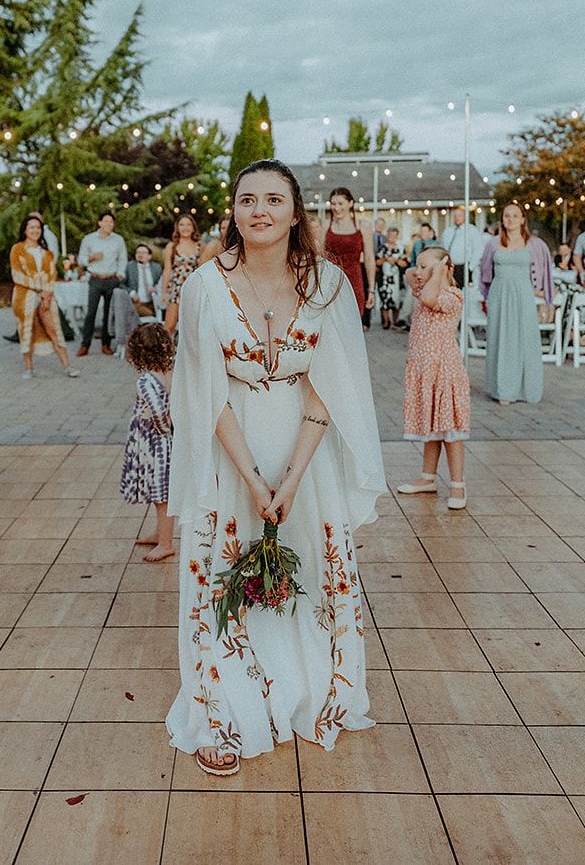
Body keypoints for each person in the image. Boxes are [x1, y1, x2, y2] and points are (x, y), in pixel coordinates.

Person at [167, 158, 384, 778]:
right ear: (232, 211)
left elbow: (332, 389)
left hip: (303, 453)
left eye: (272, 200)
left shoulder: (328, 286)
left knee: (306, 569)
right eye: (246, 200)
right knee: (223, 574)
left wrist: (289, 477)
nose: (258, 210)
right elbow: (204, 393)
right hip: (229, 446)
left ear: (295, 212)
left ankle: (311, 688)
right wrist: (253, 477)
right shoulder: (205, 285)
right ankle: (221, 711)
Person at [397, 246, 471, 509]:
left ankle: (458, 485)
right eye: (420, 265)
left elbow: (429, 298)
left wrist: (439, 271)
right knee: (432, 428)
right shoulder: (423, 288)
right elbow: (407, 274)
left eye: (424, 267)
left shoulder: (451, 296)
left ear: (444, 269)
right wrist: (425, 267)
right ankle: (428, 477)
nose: (419, 272)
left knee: (450, 431)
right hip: (425, 372)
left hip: (444, 373)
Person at [478, 204, 553, 404]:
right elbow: (484, 271)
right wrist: (485, 294)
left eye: (515, 216)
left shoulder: (535, 244)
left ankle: (526, 388)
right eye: (506, 216)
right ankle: (503, 389)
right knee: (501, 338)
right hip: (500, 293)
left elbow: (545, 269)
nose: (510, 219)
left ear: (522, 219)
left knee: (525, 338)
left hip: (523, 294)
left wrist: (543, 291)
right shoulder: (493, 244)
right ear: (502, 219)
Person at [123, 323, 176, 563]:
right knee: (161, 492)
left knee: (161, 495)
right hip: (166, 440)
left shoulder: (146, 381)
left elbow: (158, 412)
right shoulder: (172, 372)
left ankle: (166, 543)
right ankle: (159, 534)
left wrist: (163, 432)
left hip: (156, 443)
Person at [10, 215, 80, 380]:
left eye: (38, 228)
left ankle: (67, 366)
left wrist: (46, 293)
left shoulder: (47, 254)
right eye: (31, 227)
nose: (35, 230)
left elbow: (51, 275)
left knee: (54, 329)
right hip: (24, 296)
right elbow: (17, 275)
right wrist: (39, 286)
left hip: (46, 297)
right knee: (27, 330)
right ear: (25, 230)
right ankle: (29, 368)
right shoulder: (17, 249)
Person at [76, 213, 128, 357]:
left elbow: (123, 259)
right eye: (106, 221)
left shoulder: (118, 240)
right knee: (91, 313)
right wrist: (91, 258)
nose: (109, 224)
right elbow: (81, 259)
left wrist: (120, 275)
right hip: (95, 279)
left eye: (111, 222)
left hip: (112, 279)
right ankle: (85, 345)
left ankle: (106, 344)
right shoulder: (89, 239)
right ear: (99, 223)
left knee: (108, 314)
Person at [324, 187, 376, 329]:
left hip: (354, 280)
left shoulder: (362, 226)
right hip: (330, 281)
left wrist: (371, 289)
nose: (336, 208)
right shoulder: (325, 225)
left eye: (340, 203)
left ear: (350, 203)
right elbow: (318, 257)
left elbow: (370, 258)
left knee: (352, 326)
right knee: (331, 327)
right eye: (333, 204)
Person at [162, 214, 204, 333]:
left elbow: (203, 269)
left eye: (188, 224)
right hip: (176, 288)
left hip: (194, 288)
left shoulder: (200, 246)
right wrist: (164, 293)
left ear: (193, 228)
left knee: (192, 327)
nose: (185, 228)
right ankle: (167, 351)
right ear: (177, 228)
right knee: (169, 326)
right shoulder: (172, 246)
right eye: (181, 225)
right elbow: (167, 270)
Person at [440, 206, 484, 289]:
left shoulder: (472, 230)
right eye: (455, 216)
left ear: (464, 216)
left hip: (466, 267)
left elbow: (478, 250)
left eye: (460, 215)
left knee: (466, 292)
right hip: (452, 267)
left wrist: (470, 267)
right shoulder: (448, 231)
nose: (457, 218)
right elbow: (443, 248)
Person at [375, 227, 408, 330]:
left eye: (394, 235)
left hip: (396, 279)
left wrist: (396, 261)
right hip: (384, 279)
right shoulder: (382, 248)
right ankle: (386, 322)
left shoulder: (401, 248)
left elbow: (405, 263)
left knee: (396, 300)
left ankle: (395, 321)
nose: (392, 237)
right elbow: (376, 262)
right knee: (384, 300)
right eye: (390, 235)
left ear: (397, 236)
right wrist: (385, 259)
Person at [125, 243, 162, 319]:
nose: (140, 254)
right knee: (150, 315)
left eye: (143, 253)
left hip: (153, 301)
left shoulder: (156, 267)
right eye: (138, 252)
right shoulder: (129, 267)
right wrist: (132, 293)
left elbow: (162, 283)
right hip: (137, 302)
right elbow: (121, 284)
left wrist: (156, 288)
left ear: (149, 256)